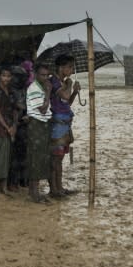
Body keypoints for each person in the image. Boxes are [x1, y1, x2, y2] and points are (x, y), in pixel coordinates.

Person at [49, 54, 80, 198]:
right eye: (70, 67)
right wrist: (69, 86)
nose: (71, 70)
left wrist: (75, 91)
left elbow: (67, 102)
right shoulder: (54, 81)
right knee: (56, 158)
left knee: (60, 158)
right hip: (57, 124)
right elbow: (65, 96)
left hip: (65, 122)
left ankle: (59, 188)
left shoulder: (62, 81)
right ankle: (54, 189)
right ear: (61, 68)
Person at [25, 63, 52, 203]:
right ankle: (34, 193)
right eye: (43, 75)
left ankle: (33, 191)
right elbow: (42, 109)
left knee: (39, 157)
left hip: (42, 124)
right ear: (36, 74)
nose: (45, 77)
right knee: (35, 157)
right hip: (36, 124)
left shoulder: (40, 86)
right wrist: (48, 92)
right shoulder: (35, 88)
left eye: (47, 75)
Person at [0, 66, 17, 197]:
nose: (6, 78)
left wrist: (14, 126)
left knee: (6, 158)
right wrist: (6, 126)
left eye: (8, 76)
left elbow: (15, 109)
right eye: (4, 75)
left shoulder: (11, 91)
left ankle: (4, 187)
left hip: (10, 127)